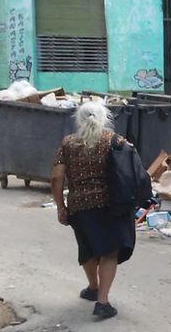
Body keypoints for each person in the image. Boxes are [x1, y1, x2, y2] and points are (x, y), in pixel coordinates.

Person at [51, 101, 135, 319]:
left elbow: (56, 177)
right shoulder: (115, 141)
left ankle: (92, 287)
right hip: (109, 206)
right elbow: (132, 171)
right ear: (105, 118)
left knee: (87, 248)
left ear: (78, 120)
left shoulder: (68, 143)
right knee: (109, 252)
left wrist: (61, 206)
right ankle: (102, 301)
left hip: (79, 206)